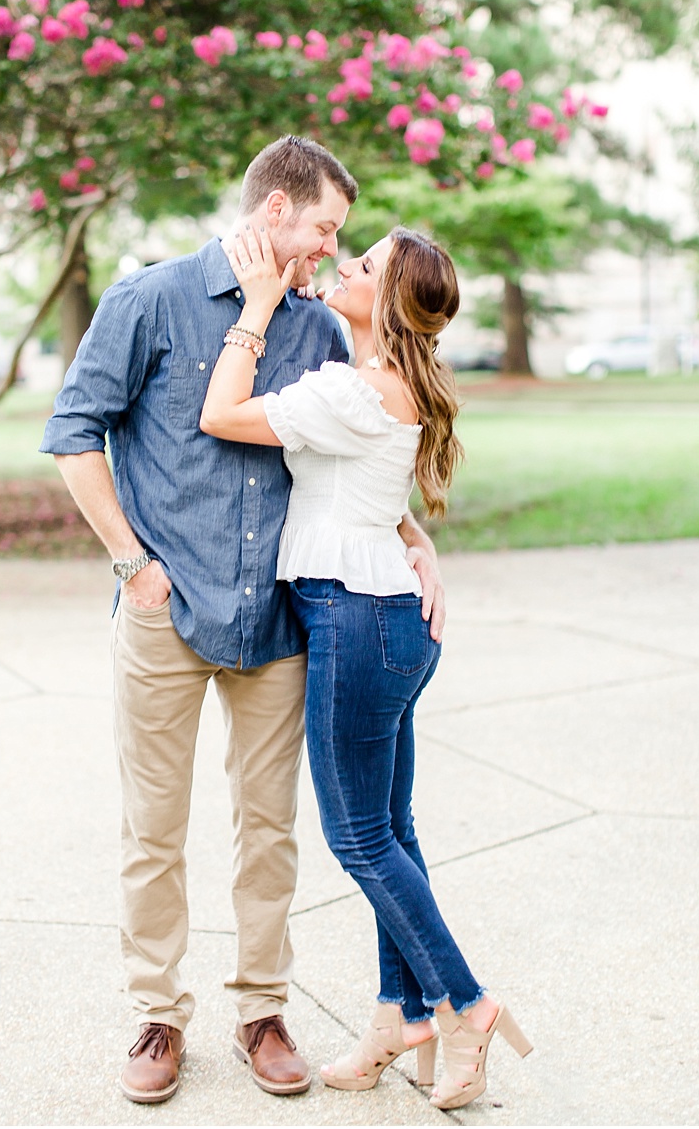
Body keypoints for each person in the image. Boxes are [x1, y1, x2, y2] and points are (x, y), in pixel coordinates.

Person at [42, 135, 445, 1105]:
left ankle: (264, 1008)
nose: (326, 249)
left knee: (270, 830)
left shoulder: (315, 324)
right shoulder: (149, 298)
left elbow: (359, 436)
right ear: (276, 211)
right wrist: (133, 564)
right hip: (164, 611)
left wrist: (412, 534)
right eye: (324, 228)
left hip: (281, 620)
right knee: (154, 827)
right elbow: (72, 432)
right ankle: (157, 1013)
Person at [199, 223, 531, 1113]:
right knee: (394, 832)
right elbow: (373, 499)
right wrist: (416, 539)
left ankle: (468, 1003)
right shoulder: (382, 384)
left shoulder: (353, 388)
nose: (348, 263)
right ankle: (400, 1013)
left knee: (359, 839)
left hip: (355, 621)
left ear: (385, 298)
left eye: (368, 261)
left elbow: (221, 413)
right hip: (385, 620)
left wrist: (259, 311)